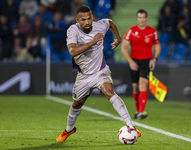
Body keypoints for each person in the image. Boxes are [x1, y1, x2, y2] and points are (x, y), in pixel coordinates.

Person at [56, 5, 141, 142]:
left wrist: (118, 38)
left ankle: (131, 126)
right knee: (77, 104)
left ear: (92, 17)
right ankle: (69, 129)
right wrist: (92, 42)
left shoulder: (99, 25)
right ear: (77, 20)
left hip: (100, 71)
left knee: (109, 92)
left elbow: (110, 22)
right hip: (84, 76)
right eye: (83, 19)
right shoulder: (73, 30)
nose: (87, 22)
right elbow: (72, 51)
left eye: (89, 18)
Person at [121, 9, 161, 120]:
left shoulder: (152, 31)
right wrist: (130, 61)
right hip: (134, 61)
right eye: (140, 17)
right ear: (137, 18)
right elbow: (124, 47)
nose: (142, 19)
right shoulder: (131, 31)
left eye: (144, 17)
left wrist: (154, 59)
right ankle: (138, 111)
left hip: (146, 62)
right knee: (135, 88)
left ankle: (141, 111)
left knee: (142, 85)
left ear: (147, 18)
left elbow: (157, 47)